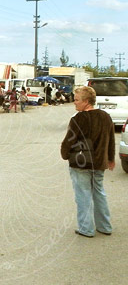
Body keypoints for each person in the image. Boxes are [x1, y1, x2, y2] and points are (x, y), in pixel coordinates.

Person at [60, 86, 115, 237]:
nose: (74, 103)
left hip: (80, 164)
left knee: (83, 195)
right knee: (99, 193)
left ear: (86, 101)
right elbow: (111, 139)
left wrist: (64, 154)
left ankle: (86, 228)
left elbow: (68, 141)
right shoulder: (105, 116)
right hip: (99, 163)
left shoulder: (78, 119)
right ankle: (105, 226)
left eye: (77, 100)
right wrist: (110, 158)